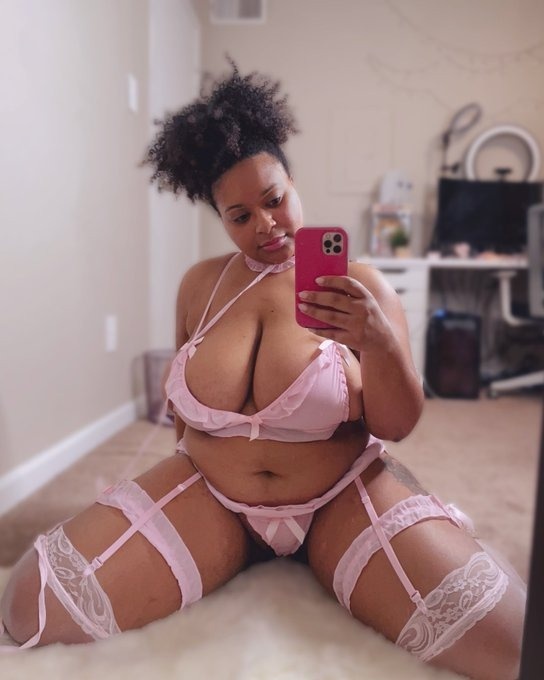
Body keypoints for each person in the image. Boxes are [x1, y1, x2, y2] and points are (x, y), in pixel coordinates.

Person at [0, 62, 526, 679]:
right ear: (220, 217)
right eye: (240, 215)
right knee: (31, 606)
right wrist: (171, 493)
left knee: (512, 642)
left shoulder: (360, 284)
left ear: (293, 183)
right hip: (214, 499)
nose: (266, 225)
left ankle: (326, 550)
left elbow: (398, 423)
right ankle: (235, 554)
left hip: (337, 497)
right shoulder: (200, 285)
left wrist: (378, 341)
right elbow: (182, 420)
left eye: (274, 200)